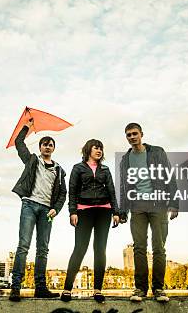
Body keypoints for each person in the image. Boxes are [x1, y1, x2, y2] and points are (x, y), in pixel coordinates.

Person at [119, 122, 178, 302]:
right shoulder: (125, 160)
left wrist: (174, 203)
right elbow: (124, 186)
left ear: (141, 134)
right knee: (139, 248)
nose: (132, 137)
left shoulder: (157, 152)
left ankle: (159, 289)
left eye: (134, 134)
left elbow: (169, 176)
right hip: (137, 207)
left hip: (158, 205)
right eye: (128, 135)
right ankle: (140, 289)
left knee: (159, 248)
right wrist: (123, 210)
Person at [9, 120, 67, 301]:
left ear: (53, 148)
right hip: (29, 205)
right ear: (40, 147)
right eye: (44, 144)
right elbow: (19, 143)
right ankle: (16, 287)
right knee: (23, 246)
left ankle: (40, 287)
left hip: (46, 212)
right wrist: (27, 126)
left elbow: (63, 194)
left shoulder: (59, 170)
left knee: (43, 249)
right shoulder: (32, 160)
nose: (47, 147)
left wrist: (55, 209)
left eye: (50, 145)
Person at [61, 139, 121, 303]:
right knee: (80, 248)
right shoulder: (78, 168)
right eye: (96, 148)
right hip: (84, 211)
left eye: (101, 148)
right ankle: (67, 288)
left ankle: (97, 290)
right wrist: (72, 211)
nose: (99, 150)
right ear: (88, 150)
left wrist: (116, 212)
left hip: (104, 211)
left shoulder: (105, 169)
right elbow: (72, 191)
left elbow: (111, 191)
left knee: (100, 249)